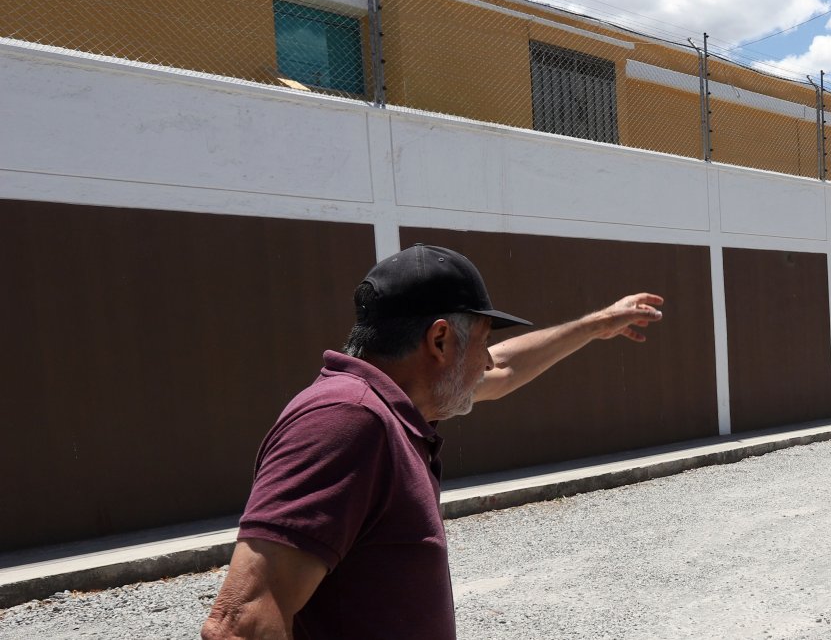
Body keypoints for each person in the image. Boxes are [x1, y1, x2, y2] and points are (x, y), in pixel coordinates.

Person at [201, 244, 663, 640]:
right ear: (439, 340)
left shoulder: (392, 404)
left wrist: (598, 323)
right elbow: (238, 624)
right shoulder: (347, 420)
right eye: (481, 342)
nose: (486, 361)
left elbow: (501, 369)